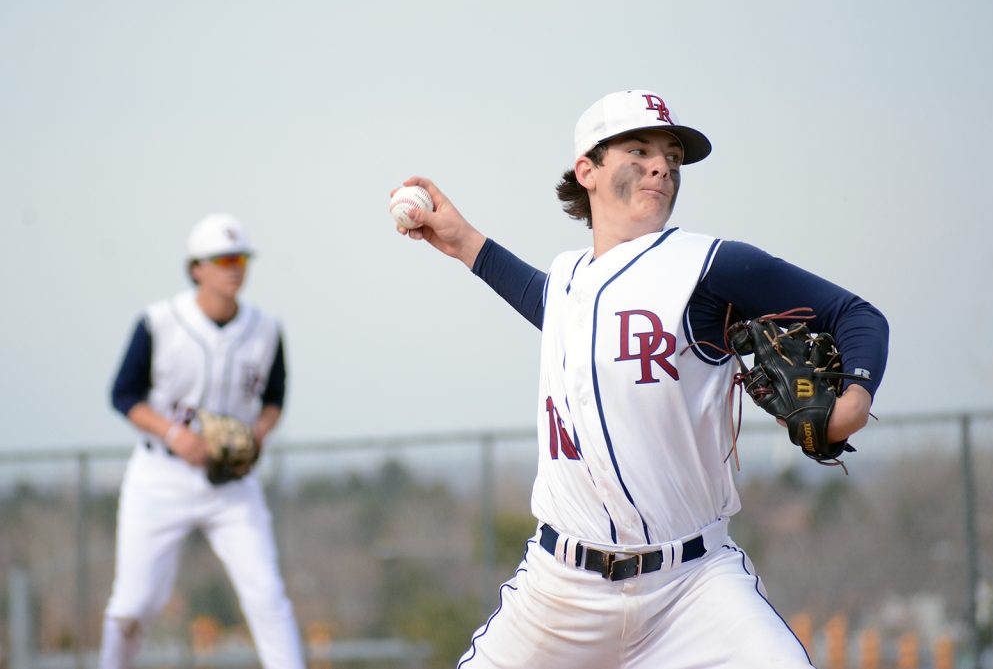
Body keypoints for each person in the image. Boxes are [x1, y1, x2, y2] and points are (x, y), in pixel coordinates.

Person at [391, 89, 889, 668]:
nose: (662, 167)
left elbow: (856, 315)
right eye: (639, 150)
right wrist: (463, 243)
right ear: (588, 171)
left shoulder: (709, 266)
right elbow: (544, 300)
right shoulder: (568, 281)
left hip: (693, 587)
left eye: (672, 158)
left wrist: (854, 399)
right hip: (561, 592)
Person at [100, 213, 305, 668]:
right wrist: (173, 434)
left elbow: (275, 397)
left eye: (241, 259)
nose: (235, 268)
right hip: (161, 476)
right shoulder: (158, 322)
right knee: (133, 605)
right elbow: (123, 395)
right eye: (224, 260)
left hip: (232, 484)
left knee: (267, 597)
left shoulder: (266, 329)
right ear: (197, 268)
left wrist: (259, 432)